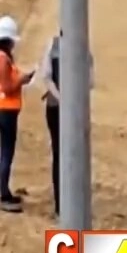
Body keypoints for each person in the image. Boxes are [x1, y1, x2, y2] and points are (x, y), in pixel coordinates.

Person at [39, 29, 94, 217]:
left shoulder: (52, 45)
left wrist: (61, 98)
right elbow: (90, 81)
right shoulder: (83, 47)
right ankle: (77, 205)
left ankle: (61, 207)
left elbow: (45, 76)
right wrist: (72, 99)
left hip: (56, 108)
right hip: (76, 110)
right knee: (77, 154)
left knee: (59, 154)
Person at [0, 16, 34, 213]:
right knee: (6, 153)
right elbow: (7, 86)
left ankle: (3, 190)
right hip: (6, 111)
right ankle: (3, 194)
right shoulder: (3, 59)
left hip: (4, 109)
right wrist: (22, 80)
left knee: (3, 152)